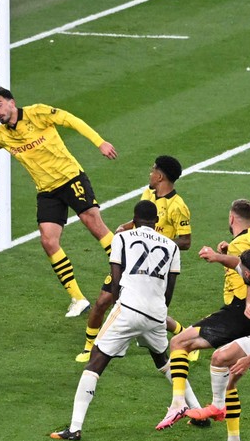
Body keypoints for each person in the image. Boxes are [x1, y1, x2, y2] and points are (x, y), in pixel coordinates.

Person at [0, 86, 117, 316]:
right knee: (48, 241)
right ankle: (78, 298)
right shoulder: (1, 135)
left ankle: (123, 268)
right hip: (47, 191)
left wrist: (99, 142)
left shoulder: (37, 113)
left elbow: (70, 120)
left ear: (12, 102)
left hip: (70, 177)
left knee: (93, 223)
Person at [48, 199, 181, 441]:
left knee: (95, 362)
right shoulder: (172, 246)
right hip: (156, 312)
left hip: (128, 308)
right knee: (163, 361)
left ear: (134, 218)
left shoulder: (122, 238)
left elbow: (116, 277)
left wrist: (121, 305)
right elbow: (169, 289)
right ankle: (193, 410)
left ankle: (75, 428)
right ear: (157, 221)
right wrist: (158, 313)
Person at [164, 198, 250, 440]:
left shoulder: (242, 243)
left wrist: (246, 300)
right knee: (227, 373)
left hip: (238, 313)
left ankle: (178, 402)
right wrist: (225, 253)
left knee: (180, 342)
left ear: (232, 218)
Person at [78, 155, 192, 363]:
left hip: (155, 266)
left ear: (159, 176)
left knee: (148, 309)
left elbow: (186, 241)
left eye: (152, 170)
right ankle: (89, 347)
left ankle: (186, 338)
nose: (150, 173)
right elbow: (141, 218)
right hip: (132, 261)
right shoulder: (148, 193)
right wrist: (127, 226)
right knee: (103, 300)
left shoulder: (178, 206)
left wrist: (158, 243)